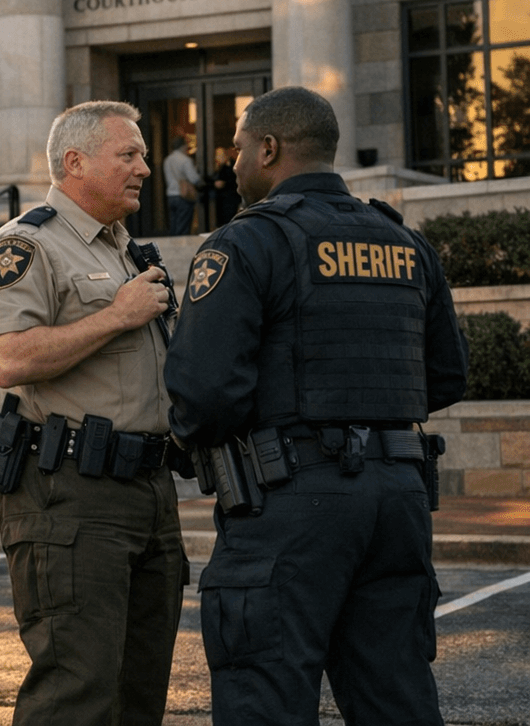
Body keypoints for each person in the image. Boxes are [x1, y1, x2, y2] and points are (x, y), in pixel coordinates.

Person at [165, 87, 468, 726]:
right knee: (397, 699)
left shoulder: (246, 242)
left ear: (269, 149)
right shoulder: (403, 241)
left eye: (239, 148)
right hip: (398, 500)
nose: (233, 163)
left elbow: (203, 395)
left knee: (265, 699)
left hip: (289, 502)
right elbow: (446, 377)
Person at [0, 101, 182, 726]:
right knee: (76, 695)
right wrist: (116, 316)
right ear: (75, 162)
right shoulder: (25, 245)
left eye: (143, 155)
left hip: (147, 489)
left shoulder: (127, 251)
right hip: (68, 494)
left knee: (140, 694)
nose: (145, 167)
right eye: (129, 155)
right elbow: (7, 358)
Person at [163, 133, 202, 235]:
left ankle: (173, 244)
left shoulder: (167, 160)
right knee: (183, 227)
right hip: (183, 195)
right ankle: (181, 245)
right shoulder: (185, 160)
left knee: (174, 225)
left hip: (171, 195)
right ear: (183, 146)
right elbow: (194, 179)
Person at [210, 146, 240, 228]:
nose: (217, 157)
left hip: (230, 199)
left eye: (220, 155)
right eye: (217, 155)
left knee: (228, 222)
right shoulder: (220, 167)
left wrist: (224, 183)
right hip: (222, 199)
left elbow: (234, 181)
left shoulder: (232, 166)